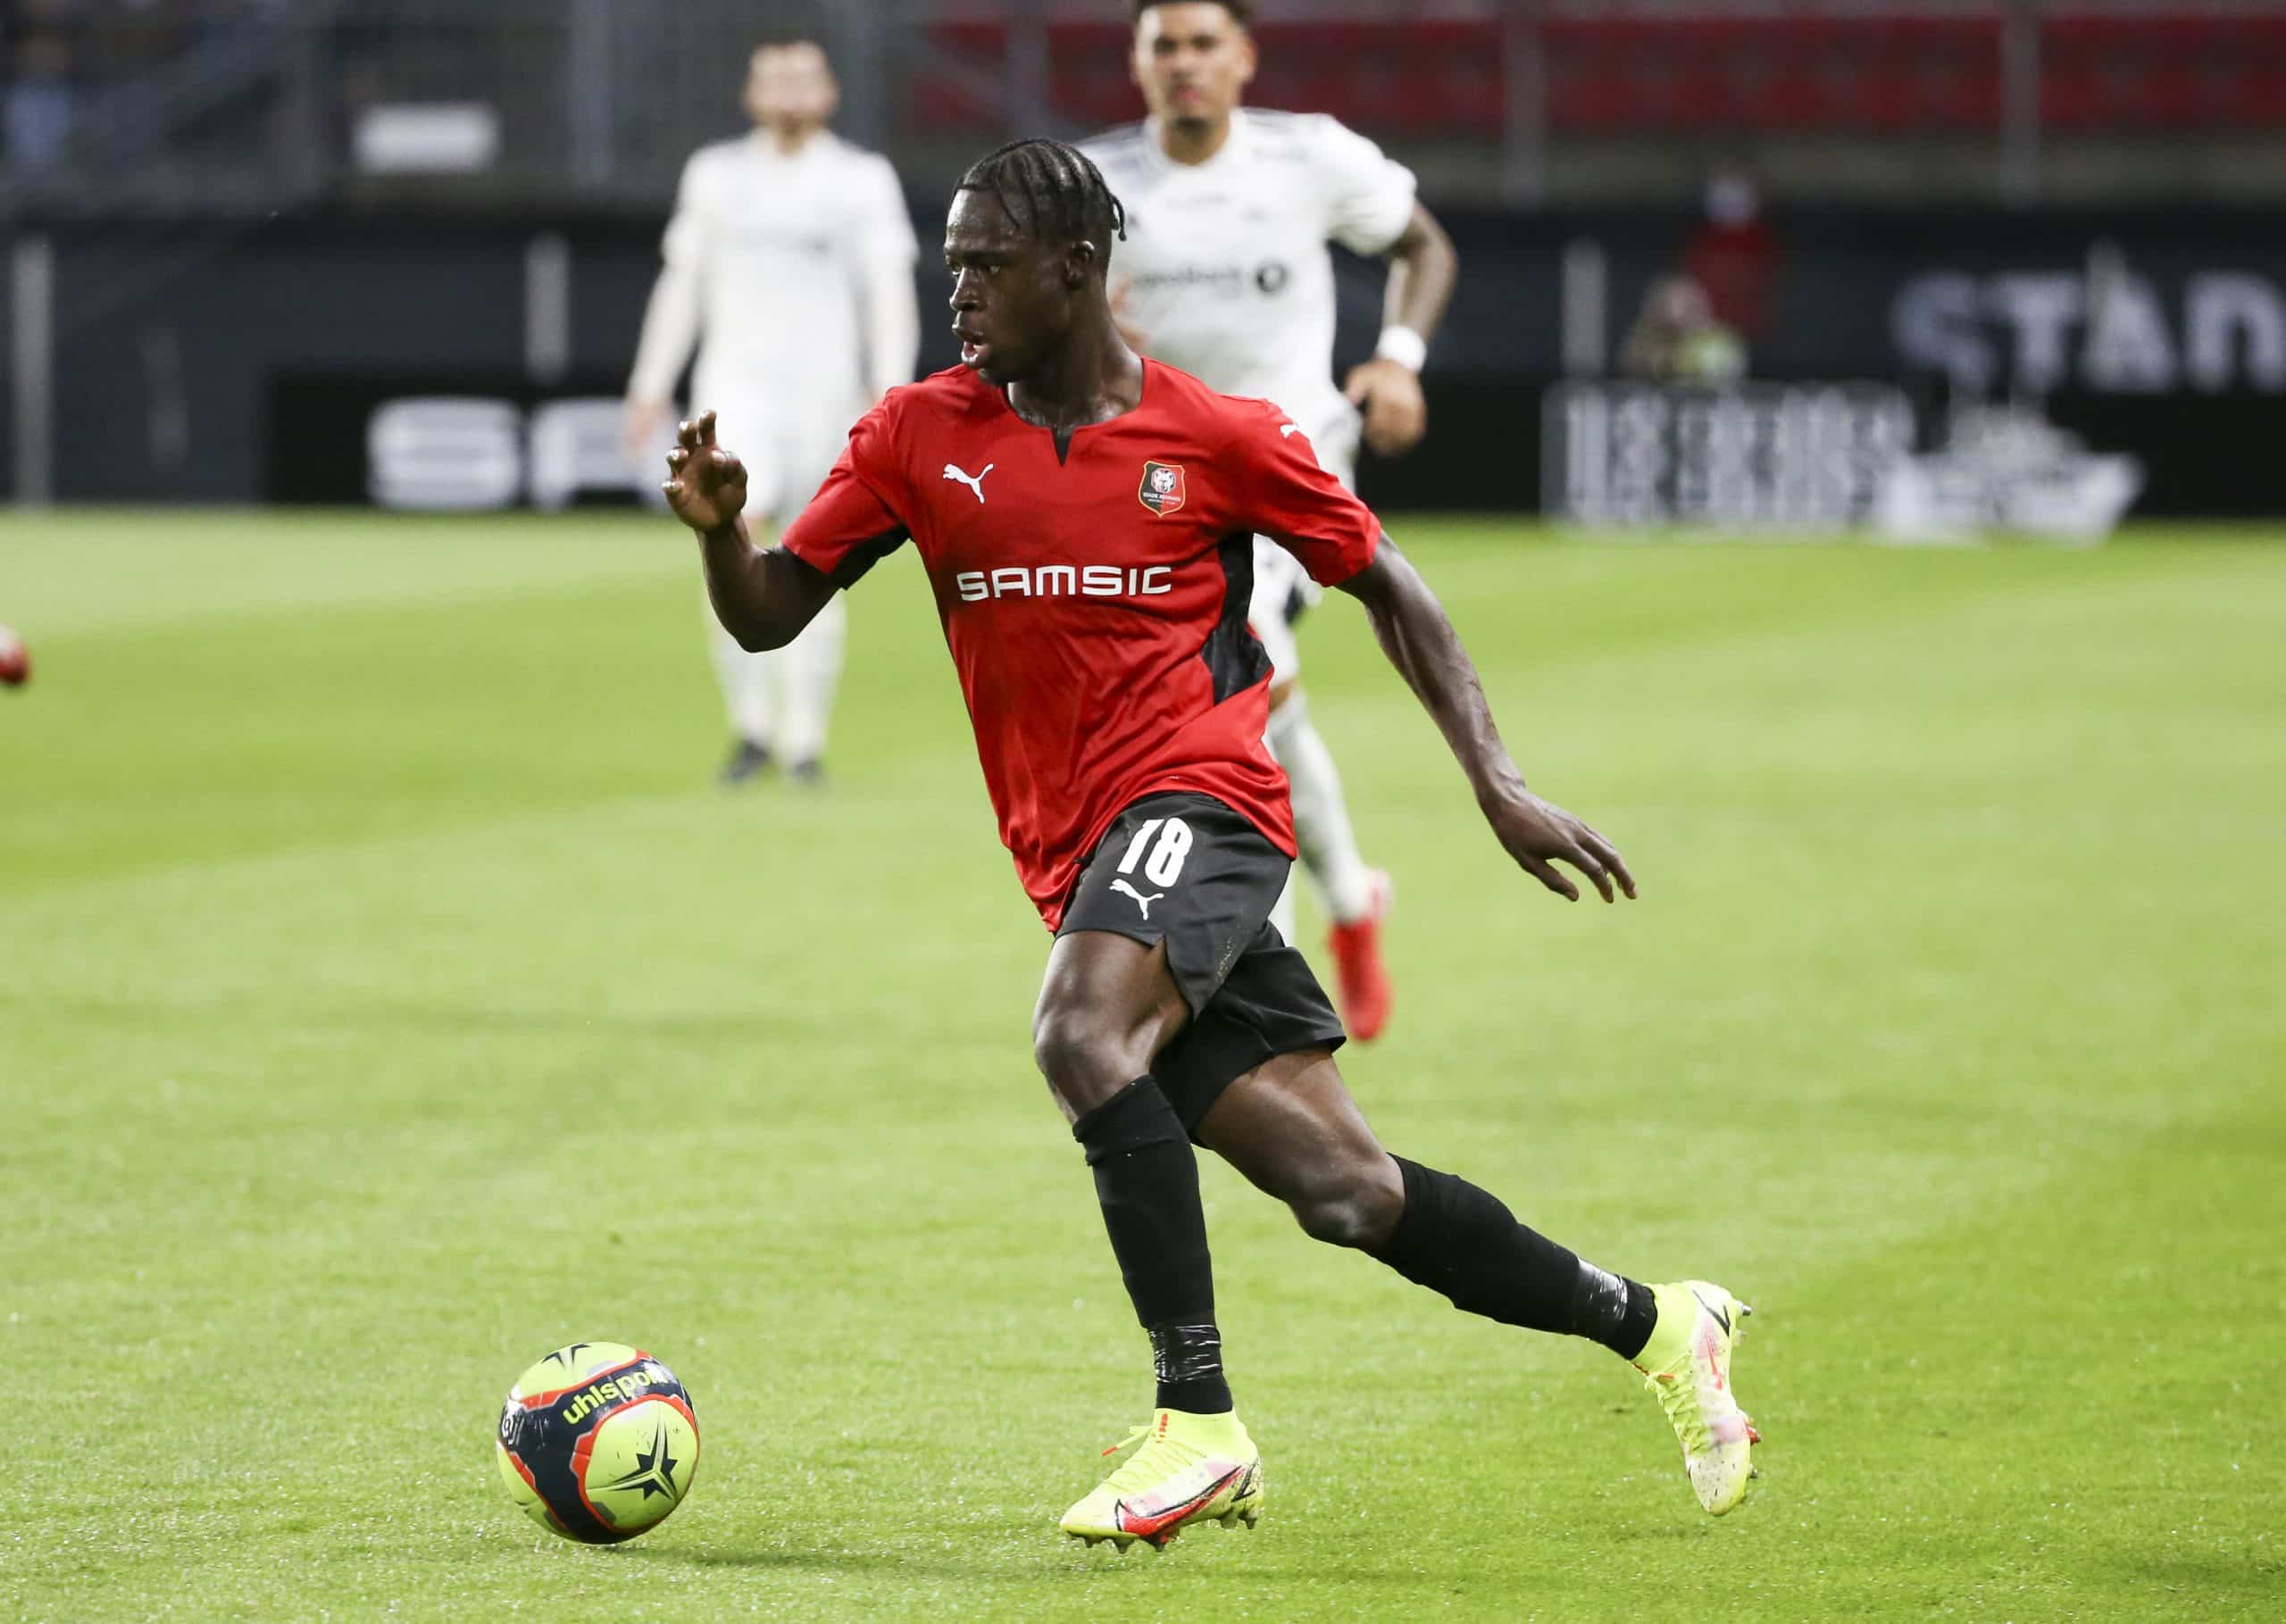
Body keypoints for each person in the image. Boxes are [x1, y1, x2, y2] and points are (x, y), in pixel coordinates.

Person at [661, 138, 1756, 1550]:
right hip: (1083, 855)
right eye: (953, 264)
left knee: (1080, 1033)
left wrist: (1496, 778)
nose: (960, 289)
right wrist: (721, 531)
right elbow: (769, 613)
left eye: (988, 264)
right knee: (1348, 1192)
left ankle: (1198, 1422)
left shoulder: (1218, 436)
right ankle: (1658, 1322)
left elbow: (1391, 587)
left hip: (1207, 807)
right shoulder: (914, 436)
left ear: (1077, 269)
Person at [1080, 0, 1459, 1040]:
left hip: (1291, 464)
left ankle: (1262, 984)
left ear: (1244, 57)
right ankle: (1352, 898)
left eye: (1204, 44)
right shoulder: (1093, 183)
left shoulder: (1309, 157)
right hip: (1156, 485)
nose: (1184, 63)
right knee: (1259, 702)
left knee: (1246, 665)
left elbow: (1423, 246)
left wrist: (1399, 360)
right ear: (1136, 62)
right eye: (1164, 45)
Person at [625, 36, 919, 787]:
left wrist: (889, 390)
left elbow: (887, 291)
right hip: (737, 392)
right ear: (750, 94)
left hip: (828, 395)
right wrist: (650, 382)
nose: (788, 89)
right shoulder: (716, 175)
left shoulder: (861, 180)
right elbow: (682, 284)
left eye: (802, 76)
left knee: (818, 557)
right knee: (731, 542)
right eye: (774, 77)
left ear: (830, 91)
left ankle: (805, 739)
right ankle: (752, 727)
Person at [1620, 275, 1748, 386]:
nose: (1671, 311)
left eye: (1680, 303)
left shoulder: (1717, 339)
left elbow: (1725, 371)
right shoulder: (1646, 336)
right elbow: (1630, 366)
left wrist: (1675, 363)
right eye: (1665, 304)